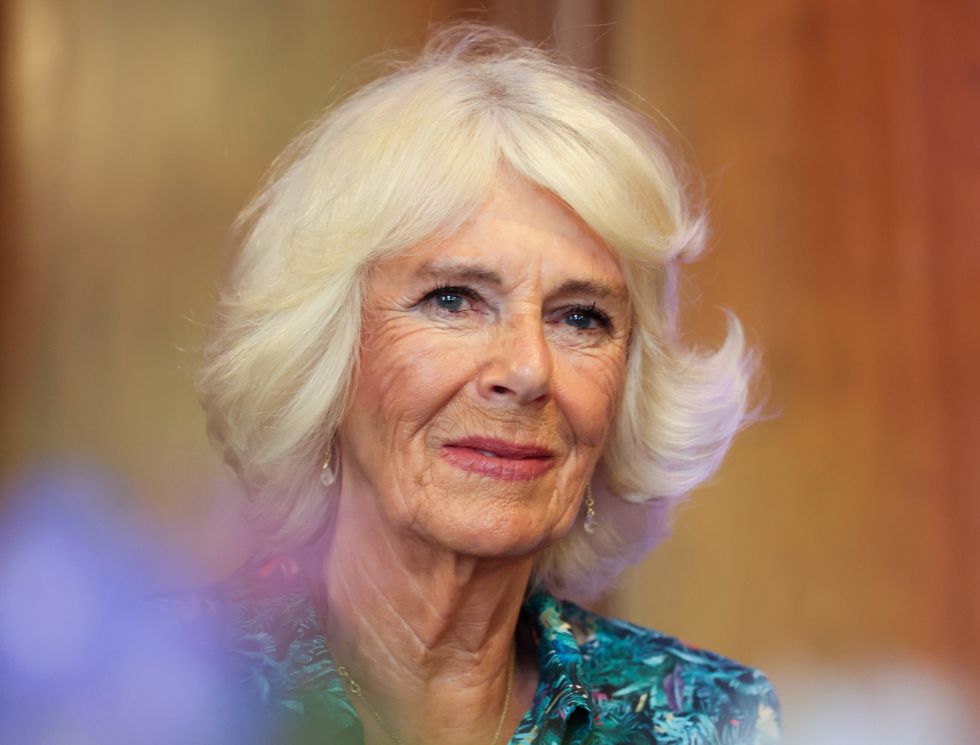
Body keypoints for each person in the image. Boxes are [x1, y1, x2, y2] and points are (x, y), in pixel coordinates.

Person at [187, 24, 781, 745]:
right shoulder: (151, 696)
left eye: (581, 317)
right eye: (453, 300)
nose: (528, 368)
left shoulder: (711, 720)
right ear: (324, 356)